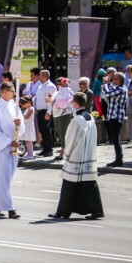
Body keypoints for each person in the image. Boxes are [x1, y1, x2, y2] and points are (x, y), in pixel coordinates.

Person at [47, 92, 103, 220]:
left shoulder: (76, 120)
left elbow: (70, 139)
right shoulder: (90, 117)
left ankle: (63, 212)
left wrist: (66, 155)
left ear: (75, 103)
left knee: (69, 184)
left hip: (77, 155)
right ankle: (96, 210)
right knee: (89, 184)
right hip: (88, 154)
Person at [0, 81, 24, 218]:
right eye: (12, 91)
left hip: (13, 145)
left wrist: (19, 125)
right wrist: (9, 142)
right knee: (3, 177)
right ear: (4, 92)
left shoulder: (14, 106)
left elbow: (21, 125)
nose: (14, 93)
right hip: (2, 148)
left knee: (7, 178)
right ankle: (10, 209)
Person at [101, 71, 126, 167]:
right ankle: (118, 158)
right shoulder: (118, 88)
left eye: (114, 78)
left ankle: (119, 159)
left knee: (116, 139)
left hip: (116, 116)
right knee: (115, 139)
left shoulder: (121, 89)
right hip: (112, 116)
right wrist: (107, 84)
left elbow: (107, 93)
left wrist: (105, 85)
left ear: (119, 80)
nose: (112, 80)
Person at [50, 78, 75, 159]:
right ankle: (64, 151)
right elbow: (51, 102)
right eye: (61, 84)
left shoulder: (70, 92)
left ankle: (63, 152)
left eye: (64, 84)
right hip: (56, 115)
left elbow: (73, 103)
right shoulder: (57, 93)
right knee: (60, 134)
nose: (62, 85)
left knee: (64, 134)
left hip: (64, 114)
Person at [34, 69, 57, 156]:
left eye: (40, 75)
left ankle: (49, 149)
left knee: (46, 130)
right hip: (40, 110)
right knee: (41, 130)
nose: (39, 77)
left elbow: (51, 100)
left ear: (43, 76)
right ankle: (45, 148)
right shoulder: (41, 85)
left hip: (45, 111)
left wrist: (48, 112)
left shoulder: (50, 86)